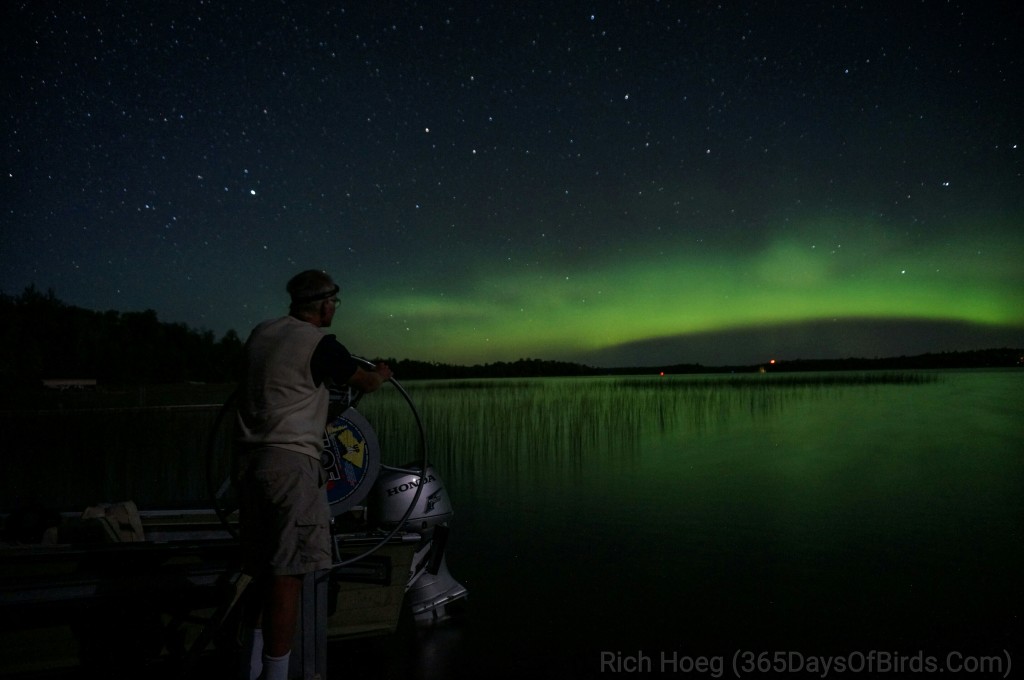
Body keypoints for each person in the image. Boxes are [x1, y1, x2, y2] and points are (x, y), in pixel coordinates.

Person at [234, 269, 392, 680]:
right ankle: (277, 674)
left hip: (249, 466)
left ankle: (248, 666)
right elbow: (367, 381)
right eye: (333, 303)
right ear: (324, 305)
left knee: (259, 568)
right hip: (291, 468)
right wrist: (383, 373)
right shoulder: (321, 344)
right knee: (288, 574)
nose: (333, 309)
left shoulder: (260, 333)